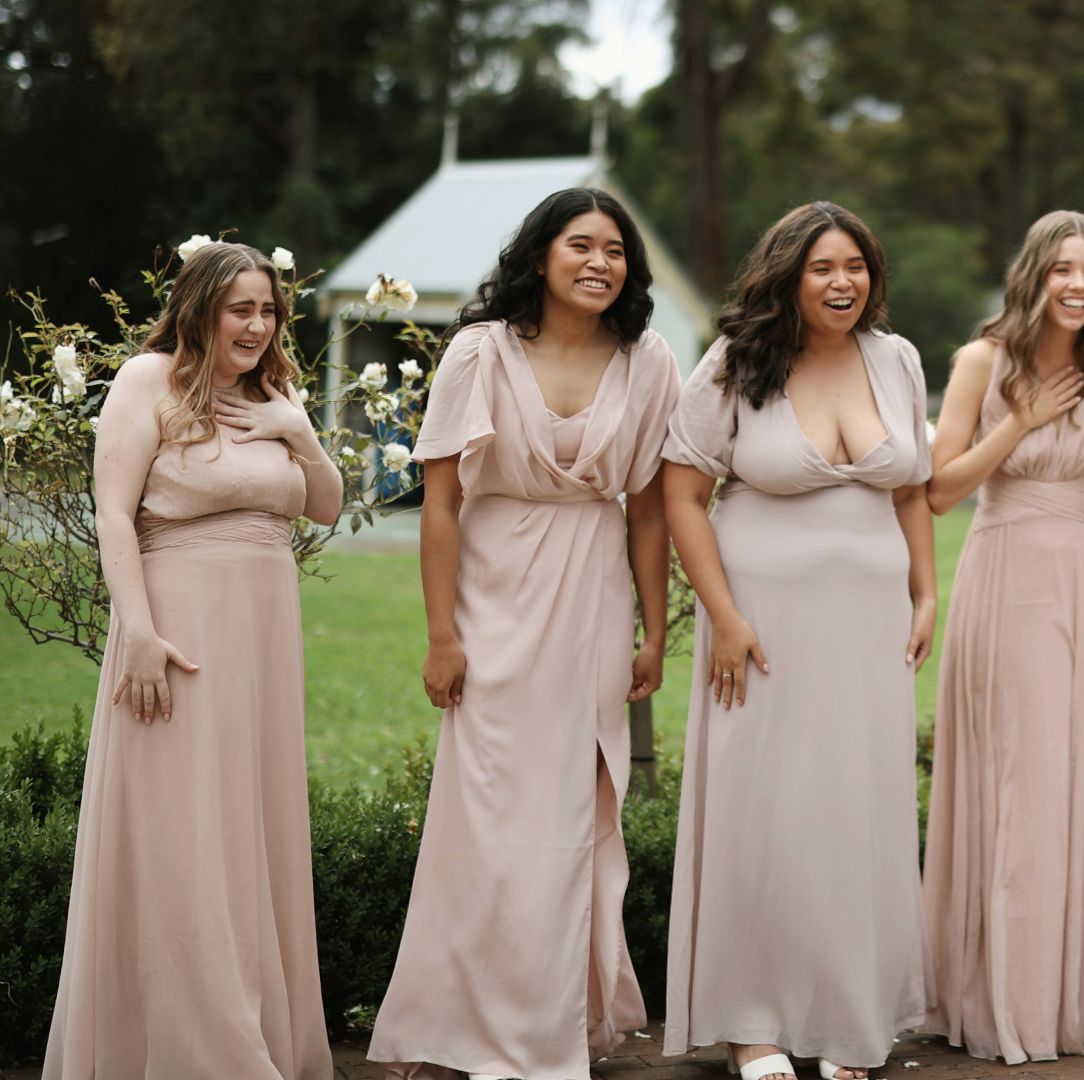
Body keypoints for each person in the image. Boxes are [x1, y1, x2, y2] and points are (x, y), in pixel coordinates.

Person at [368, 188, 678, 1079]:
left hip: (590, 599)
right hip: (493, 601)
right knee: (486, 817)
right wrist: (441, 635)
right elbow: (440, 503)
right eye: (580, 245)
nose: (599, 263)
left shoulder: (648, 358)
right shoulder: (478, 351)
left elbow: (650, 511)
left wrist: (654, 631)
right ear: (540, 255)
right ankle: (456, 1027)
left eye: (615, 249)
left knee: (571, 815)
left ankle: (550, 1031)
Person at [43, 241, 341, 1078]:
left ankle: (259, 1027)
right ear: (200, 307)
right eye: (239, 308)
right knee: (183, 827)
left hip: (263, 638)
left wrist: (298, 430)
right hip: (178, 628)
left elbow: (324, 506)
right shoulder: (149, 382)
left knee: (252, 825)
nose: (256, 324)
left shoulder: (274, 394)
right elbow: (111, 514)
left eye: (268, 310)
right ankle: (193, 1048)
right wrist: (135, 628)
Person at [661, 201, 936, 1080]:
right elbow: (678, 496)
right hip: (764, 630)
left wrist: (927, 590)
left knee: (857, 810)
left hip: (870, 629)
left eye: (855, 265)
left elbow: (911, 491)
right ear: (787, 275)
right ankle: (756, 1024)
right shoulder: (738, 363)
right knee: (765, 811)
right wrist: (726, 617)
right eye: (823, 267)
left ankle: (847, 1018)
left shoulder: (895, 360)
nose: (842, 282)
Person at [920, 209, 1084, 1064]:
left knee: (1071, 776)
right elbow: (939, 489)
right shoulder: (983, 362)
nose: (1078, 285)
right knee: (1020, 778)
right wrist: (1021, 421)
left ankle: (1061, 1000)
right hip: (1006, 576)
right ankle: (997, 997)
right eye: (1062, 270)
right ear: (1034, 276)